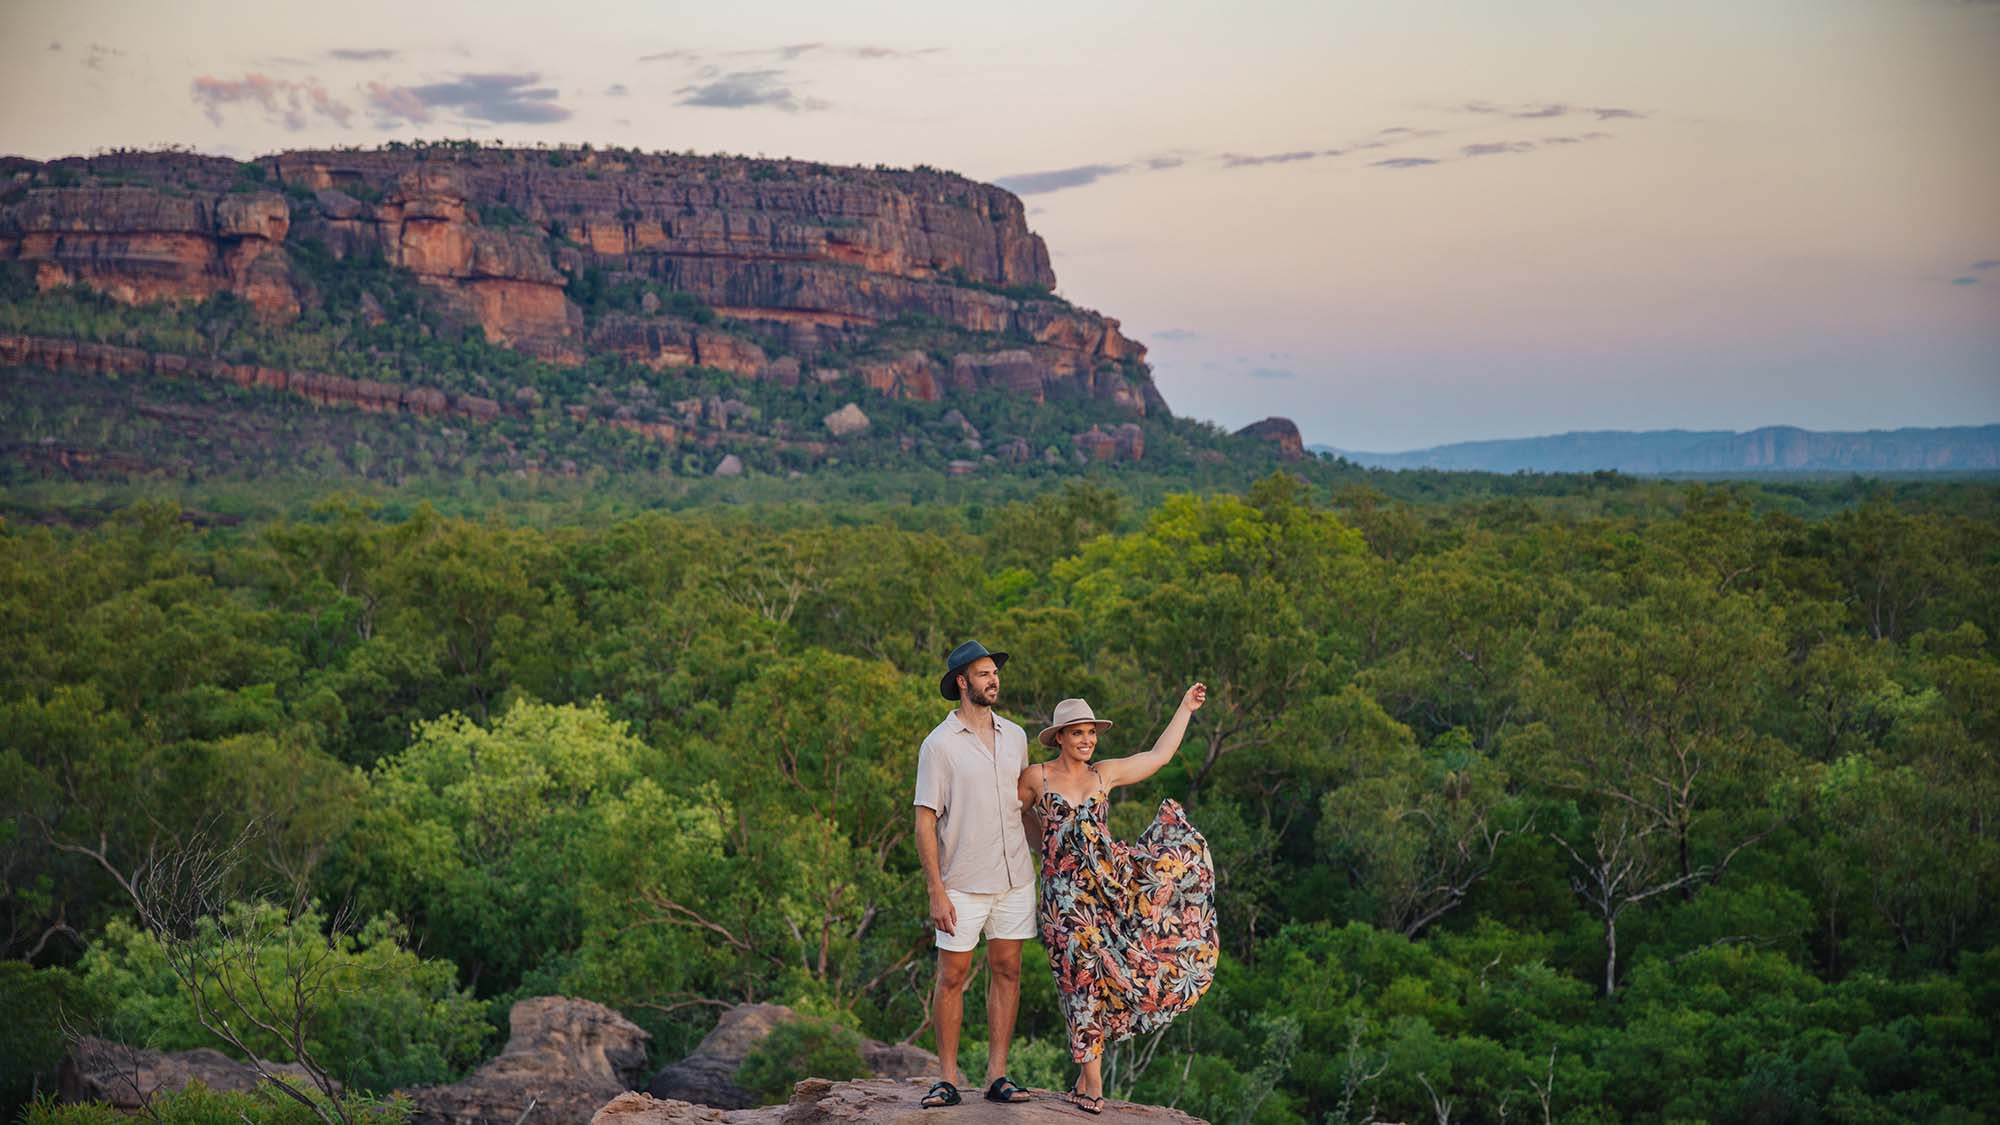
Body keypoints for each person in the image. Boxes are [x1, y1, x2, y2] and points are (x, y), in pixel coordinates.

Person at [1017, 685, 1217, 1115]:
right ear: (1060, 738)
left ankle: (1085, 1077)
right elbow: (1009, 813)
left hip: (1109, 890)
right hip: (1063, 898)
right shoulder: (1037, 776)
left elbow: (1158, 756)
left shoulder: (1102, 774)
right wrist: (1045, 850)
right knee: (1079, 976)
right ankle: (1093, 1083)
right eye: (1078, 734)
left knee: (1107, 976)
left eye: (1092, 733)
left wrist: (1184, 707)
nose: (1087, 740)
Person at [913, 640, 1037, 1109]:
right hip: (961, 881)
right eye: (984, 674)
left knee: (1007, 970)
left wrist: (1057, 848)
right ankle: (945, 1079)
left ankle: (997, 1076)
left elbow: (1025, 806)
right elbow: (925, 819)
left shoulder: (1017, 736)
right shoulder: (939, 745)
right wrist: (936, 890)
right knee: (953, 975)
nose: (994, 680)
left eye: (995, 673)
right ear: (963, 683)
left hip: (1014, 878)